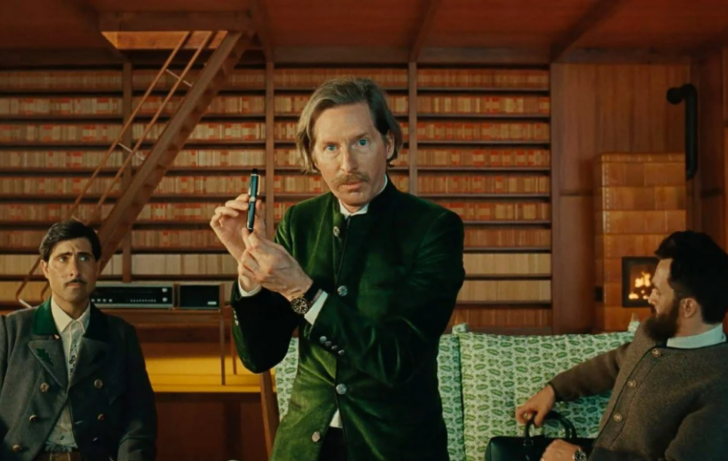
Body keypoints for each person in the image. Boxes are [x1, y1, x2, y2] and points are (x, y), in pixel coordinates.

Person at [210, 77, 465, 461]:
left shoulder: (433, 228)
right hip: (304, 446)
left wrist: (303, 291)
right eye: (331, 148)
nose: (347, 165)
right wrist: (248, 271)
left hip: (392, 447)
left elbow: (399, 359)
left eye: (361, 143)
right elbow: (260, 356)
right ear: (313, 157)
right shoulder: (300, 221)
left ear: (388, 144)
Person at [515, 230, 728, 461]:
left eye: (658, 292)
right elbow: (615, 363)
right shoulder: (653, 331)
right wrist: (554, 390)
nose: (650, 298)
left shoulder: (718, 387)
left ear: (688, 307)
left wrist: (580, 458)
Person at [0, 218, 157, 461]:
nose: (74, 270)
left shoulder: (120, 334)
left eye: (84, 258)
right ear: (45, 268)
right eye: (63, 258)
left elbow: (138, 416)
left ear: (97, 267)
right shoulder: (9, 330)